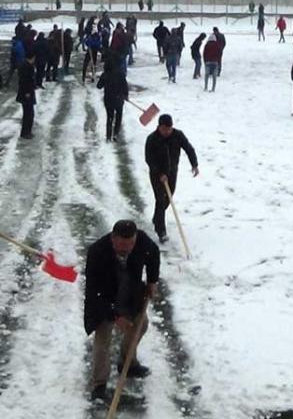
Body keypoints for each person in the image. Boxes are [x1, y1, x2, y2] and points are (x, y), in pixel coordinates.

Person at [85, 219, 159, 401]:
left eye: (131, 244)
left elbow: (154, 254)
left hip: (130, 294)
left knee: (140, 326)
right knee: (103, 339)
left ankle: (128, 363)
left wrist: (151, 281)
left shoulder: (142, 241)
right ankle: (99, 383)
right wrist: (114, 315)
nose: (127, 249)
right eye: (123, 245)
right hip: (104, 298)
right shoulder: (97, 252)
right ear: (113, 239)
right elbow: (94, 292)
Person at [144, 114, 198, 242]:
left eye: (169, 129)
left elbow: (189, 149)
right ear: (159, 127)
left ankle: (157, 217)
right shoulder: (152, 139)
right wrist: (159, 174)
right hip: (157, 174)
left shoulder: (178, 135)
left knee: (168, 198)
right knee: (160, 200)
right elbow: (149, 159)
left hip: (172, 172)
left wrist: (194, 164)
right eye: (164, 129)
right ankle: (161, 231)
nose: (167, 132)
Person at [97, 58, 129, 142]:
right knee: (118, 117)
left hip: (108, 99)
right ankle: (115, 133)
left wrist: (101, 80)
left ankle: (108, 136)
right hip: (119, 99)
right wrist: (126, 95)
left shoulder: (105, 74)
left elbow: (99, 86)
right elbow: (125, 86)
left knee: (110, 117)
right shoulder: (121, 74)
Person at [17, 52, 36, 139]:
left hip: (25, 92)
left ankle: (26, 131)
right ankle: (26, 132)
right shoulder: (27, 67)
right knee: (28, 114)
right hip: (27, 93)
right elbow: (25, 81)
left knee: (28, 113)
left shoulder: (24, 65)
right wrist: (27, 92)